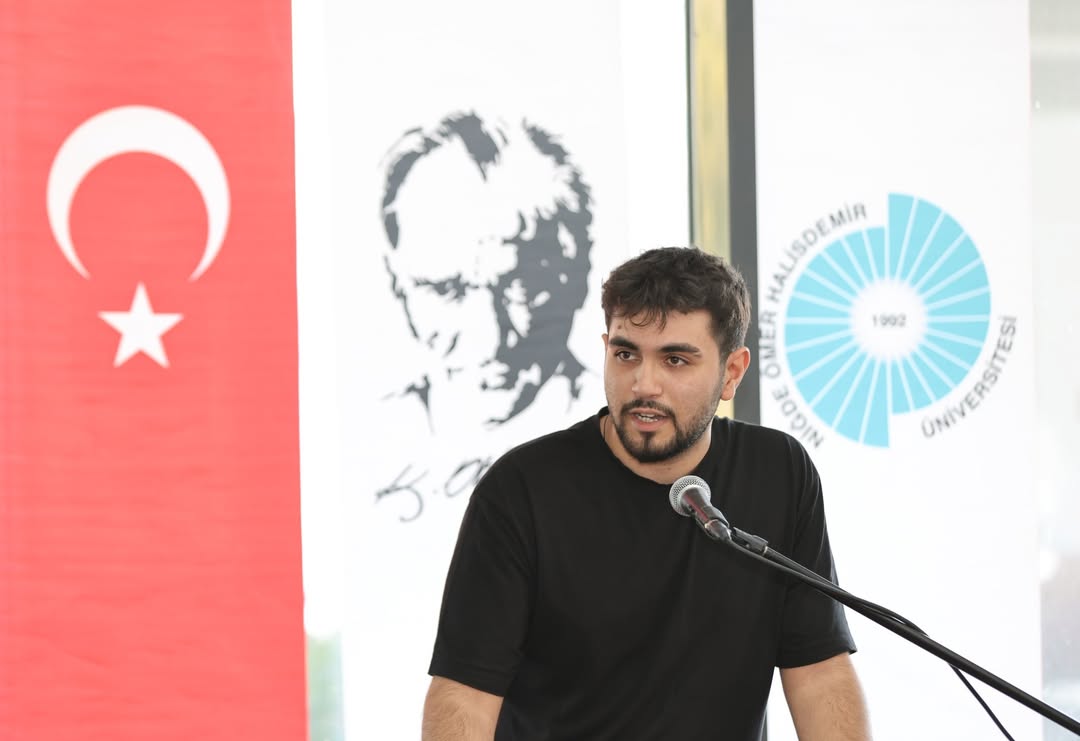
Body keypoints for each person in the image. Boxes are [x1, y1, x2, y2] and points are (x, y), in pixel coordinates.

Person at [421, 246, 871, 739]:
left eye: (675, 360)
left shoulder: (779, 471)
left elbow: (820, 673)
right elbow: (464, 694)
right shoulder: (521, 490)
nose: (643, 384)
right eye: (626, 354)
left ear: (732, 373)